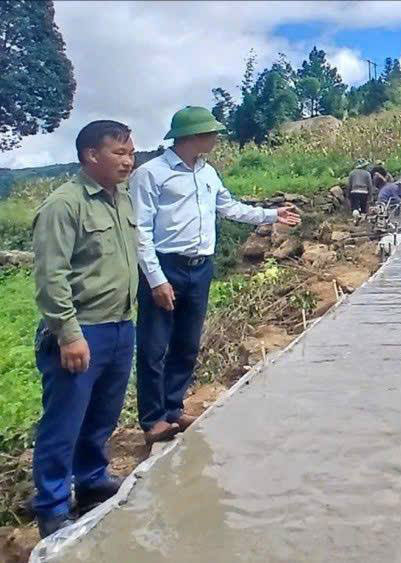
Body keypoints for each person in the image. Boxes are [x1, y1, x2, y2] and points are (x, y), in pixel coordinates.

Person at [130, 106, 301, 445]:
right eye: (211, 133)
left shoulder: (207, 172)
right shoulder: (151, 174)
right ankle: (152, 420)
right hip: (166, 265)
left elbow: (230, 207)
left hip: (200, 267)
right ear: (192, 136)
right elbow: (140, 231)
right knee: (154, 345)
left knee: (187, 342)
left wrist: (271, 214)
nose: (217, 138)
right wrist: (156, 279)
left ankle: (173, 407)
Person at [31, 120, 138, 537]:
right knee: (64, 422)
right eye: (119, 153)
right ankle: (53, 506)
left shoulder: (121, 198)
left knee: (101, 416)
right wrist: (68, 334)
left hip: (120, 326)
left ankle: (92, 481)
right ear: (91, 155)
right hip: (82, 330)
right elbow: (50, 277)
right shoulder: (64, 205)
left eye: (131, 153)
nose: (129, 161)